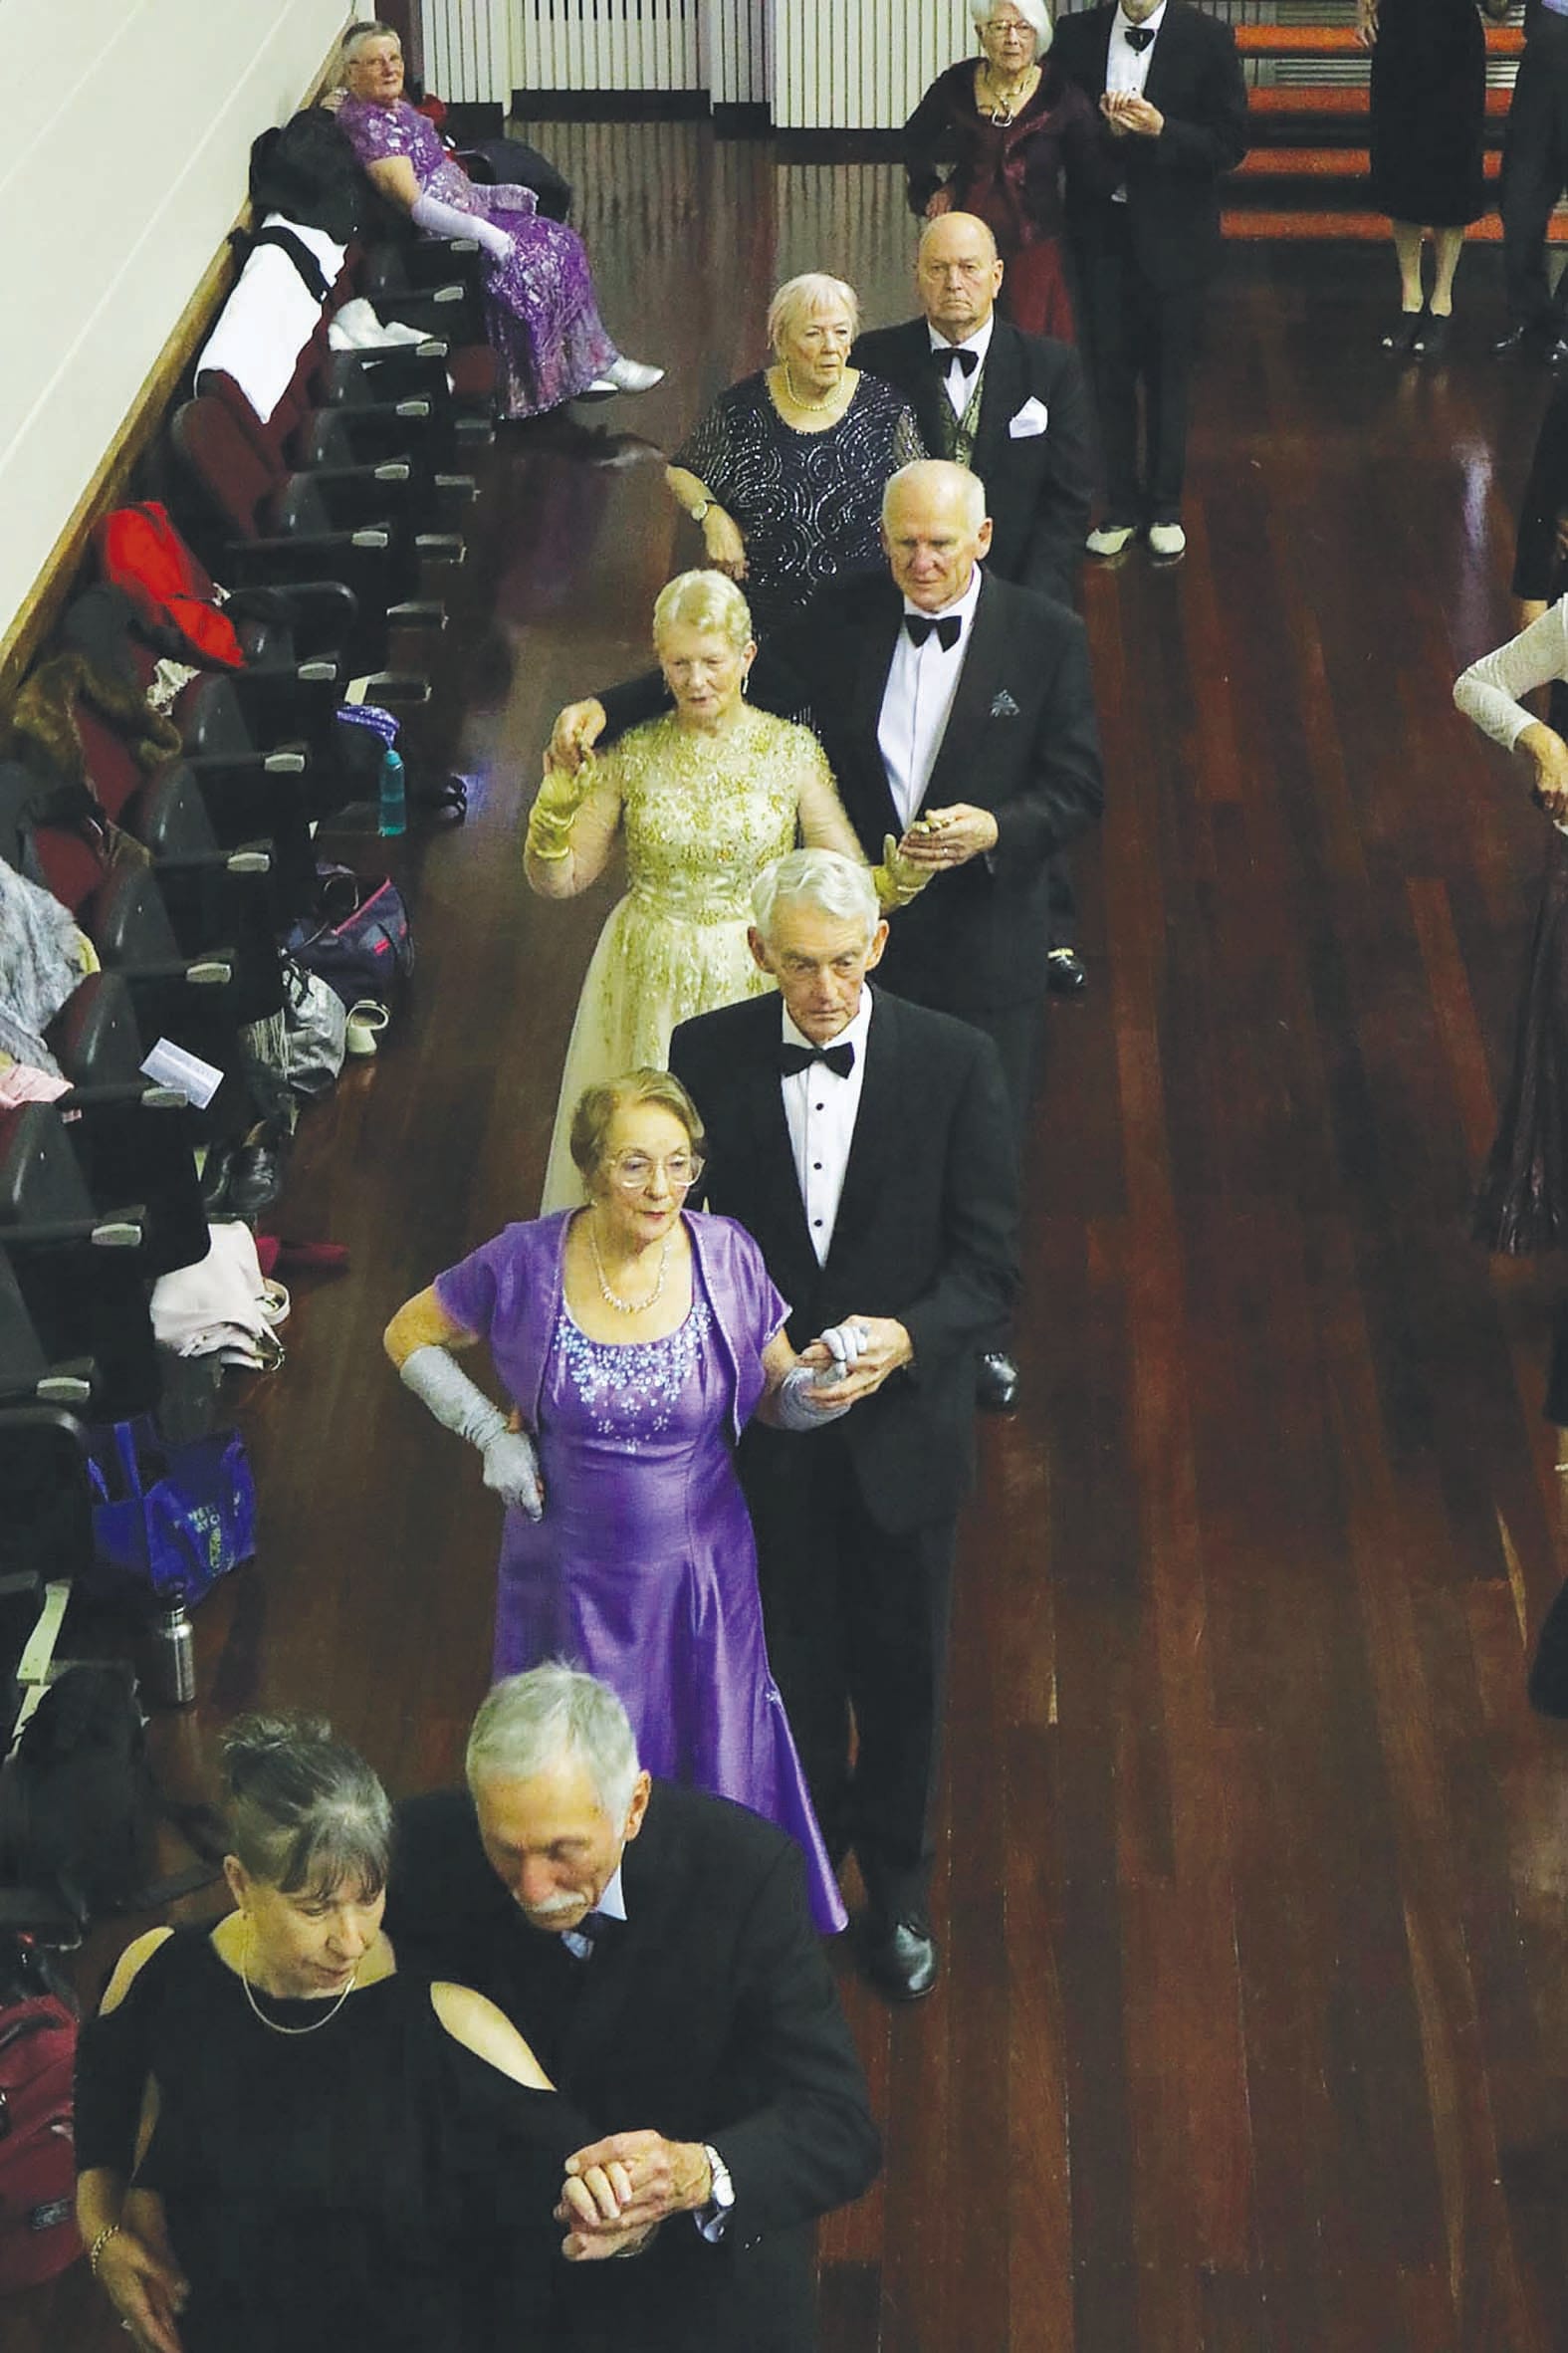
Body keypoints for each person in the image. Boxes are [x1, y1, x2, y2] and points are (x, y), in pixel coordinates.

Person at [546, 459, 1101, 1412]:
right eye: (903, 546)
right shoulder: (847, 612)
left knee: (976, 1143)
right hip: (844, 939)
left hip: (981, 940)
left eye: (938, 546)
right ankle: (808, 1335)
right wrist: (612, 704)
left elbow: (1078, 786)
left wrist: (997, 829)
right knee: (835, 1145)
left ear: (982, 540)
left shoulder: (1046, 637)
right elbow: (713, 671)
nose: (919, 564)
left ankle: (959, 1343)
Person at [383, 1066, 852, 1932]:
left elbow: (775, 1393)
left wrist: (823, 1392)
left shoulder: (727, 1252)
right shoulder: (523, 1259)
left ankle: (703, 1936)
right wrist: (490, 1431)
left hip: (700, 1576)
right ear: (592, 1169)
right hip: (565, 1572)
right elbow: (405, 1333)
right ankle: (578, 1932)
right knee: (569, 1768)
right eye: (636, 1165)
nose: (663, 1187)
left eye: (680, 1163)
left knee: (711, 1756)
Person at [669, 852, 1019, 2001]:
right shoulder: (704, 1054)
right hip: (771, 1440)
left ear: (878, 944)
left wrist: (906, 1338)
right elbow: (690, 1247)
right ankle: (811, 1880)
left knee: (906, 1676)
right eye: (800, 964)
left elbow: (989, 1269)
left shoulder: (959, 1061)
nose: (823, 990)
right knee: (795, 1671)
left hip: (908, 1441)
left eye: (844, 960)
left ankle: (901, 1889)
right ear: (762, 953)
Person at [73, 1713, 615, 2353]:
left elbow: (589, 2175)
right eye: (315, 1908)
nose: (350, 1938)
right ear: (240, 1883)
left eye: (369, 1897)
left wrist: (608, 2200)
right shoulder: (156, 1972)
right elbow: (100, 2119)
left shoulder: (450, 2023)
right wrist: (103, 2240)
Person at [385, 1663, 883, 2353]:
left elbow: (839, 2125)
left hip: (692, 2248)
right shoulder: (419, 1847)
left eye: (563, 1851)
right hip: (505, 2236)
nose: (532, 1887)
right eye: (506, 1849)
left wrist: (693, 2173)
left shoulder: (745, 1877)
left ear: (634, 1805)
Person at [523, 570, 875, 1213]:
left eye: (711, 662)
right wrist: (549, 817)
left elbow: (846, 878)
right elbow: (562, 879)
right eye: (678, 663)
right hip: (646, 970)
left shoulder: (790, 750)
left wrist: (893, 884)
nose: (695, 681)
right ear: (659, 663)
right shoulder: (631, 751)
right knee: (644, 1151)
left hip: (755, 972)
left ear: (745, 658)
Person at [852, 208, 1095, 989]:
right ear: (917, 275)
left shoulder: (1049, 368)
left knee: (1030, 766)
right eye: (936, 269)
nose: (952, 283)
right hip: (910, 596)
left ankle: (1048, 927)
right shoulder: (876, 360)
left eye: (967, 268)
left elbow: (1066, 499)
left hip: (1019, 596)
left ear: (997, 276)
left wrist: (1027, 610)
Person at [334, 24, 661, 417]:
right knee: (533, 262)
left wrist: (491, 197)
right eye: (375, 62)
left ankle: (591, 361)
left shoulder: (392, 108)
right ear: (352, 72)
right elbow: (415, 204)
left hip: (471, 210)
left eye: (394, 59)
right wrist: (483, 232)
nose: (390, 69)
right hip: (444, 237)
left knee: (563, 243)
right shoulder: (370, 128)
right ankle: (559, 377)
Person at [1052, 0, 1248, 566]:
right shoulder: (1076, 34)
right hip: (1100, 233)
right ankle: (1118, 507)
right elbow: (1057, 126)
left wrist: (1162, 129)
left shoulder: (1208, 38)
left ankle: (1164, 508)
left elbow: (1230, 142)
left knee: (1169, 376)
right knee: (1106, 372)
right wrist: (1103, 130)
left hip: (1175, 238)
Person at [664, 274, 923, 638]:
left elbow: (925, 495)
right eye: (813, 333)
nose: (830, 346)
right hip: (764, 622)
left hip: (866, 619)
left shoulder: (884, 408)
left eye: (842, 332)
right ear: (782, 341)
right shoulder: (743, 407)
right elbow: (681, 471)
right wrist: (713, 516)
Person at [902, 0, 1102, 342]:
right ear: (981, 33)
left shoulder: (1061, 94)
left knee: (1030, 341)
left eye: (1023, 28)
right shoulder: (959, 84)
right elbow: (914, 139)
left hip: (1035, 247)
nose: (1012, 38)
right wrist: (931, 189)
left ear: (1038, 36)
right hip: (967, 244)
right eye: (1000, 27)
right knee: (964, 331)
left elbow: (1092, 171)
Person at [1358, 0, 1489, 358]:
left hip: (1456, 41)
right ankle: (1410, 299)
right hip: (1400, 33)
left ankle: (1442, 301)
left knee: (1453, 165)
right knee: (1400, 163)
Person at [1490, 0, 1568, 360]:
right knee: (1520, 200)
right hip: (1541, 65)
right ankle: (1531, 318)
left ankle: (1564, 325)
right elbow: (1497, 7)